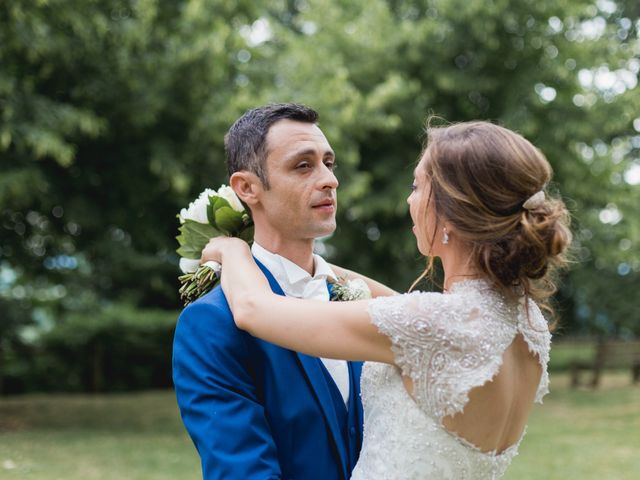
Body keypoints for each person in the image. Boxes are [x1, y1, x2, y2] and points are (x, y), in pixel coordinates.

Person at [200, 120, 572, 479]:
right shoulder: (525, 323)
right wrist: (314, 266)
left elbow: (252, 309)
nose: (410, 199)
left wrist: (233, 250)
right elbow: (401, 309)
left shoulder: (434, 324)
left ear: (451, 214)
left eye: (417, 186)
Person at [172, 103, 393, 480]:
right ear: (247, 188)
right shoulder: (212, 322)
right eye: (303, 166)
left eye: (328, 162)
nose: (329, 180)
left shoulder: (357, 297)